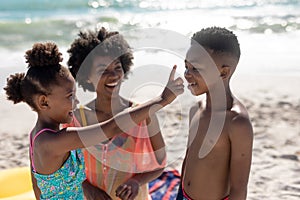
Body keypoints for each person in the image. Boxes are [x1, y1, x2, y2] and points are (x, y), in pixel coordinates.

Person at [4, 42, 184, 200]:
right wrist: (162, 99)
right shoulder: (59, 136)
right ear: (44, 102)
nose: (76, 102)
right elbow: (112, 127)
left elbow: (38, 188)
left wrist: (137, 181)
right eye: (70, 96)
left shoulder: (39, 136)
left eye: (117, 67)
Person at [66, 27, 171, 200]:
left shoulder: (143, 115)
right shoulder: (75, 119)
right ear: (86, 76)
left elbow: (160, 163)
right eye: (102, 70)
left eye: (117, 67)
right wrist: (87, 189)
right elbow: (66, 168)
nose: (113, 75)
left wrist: (136, 181)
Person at [177, 27, 253, 200]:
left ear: (223, 72)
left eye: (196, 68)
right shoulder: (196, 109)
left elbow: (239, 188)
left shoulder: (236, 122)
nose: (188, 74)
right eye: (186, 66)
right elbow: (188, 159)